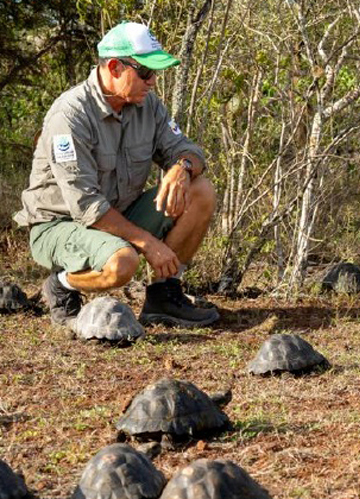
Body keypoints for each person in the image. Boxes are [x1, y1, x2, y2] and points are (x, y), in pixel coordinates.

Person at [13, 21, 219, 328]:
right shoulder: (70, 116)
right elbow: (86, 207)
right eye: (146, 72)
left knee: (201, 191)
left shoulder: (147, 105)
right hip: (61, 224)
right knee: (124, 262)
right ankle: (62, 285)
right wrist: (149, 243)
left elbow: (189, 151)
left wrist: (182, 168)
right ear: (114, 67)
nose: (153, 82)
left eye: (156, 73)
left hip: (117, 214)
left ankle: (164, 296)